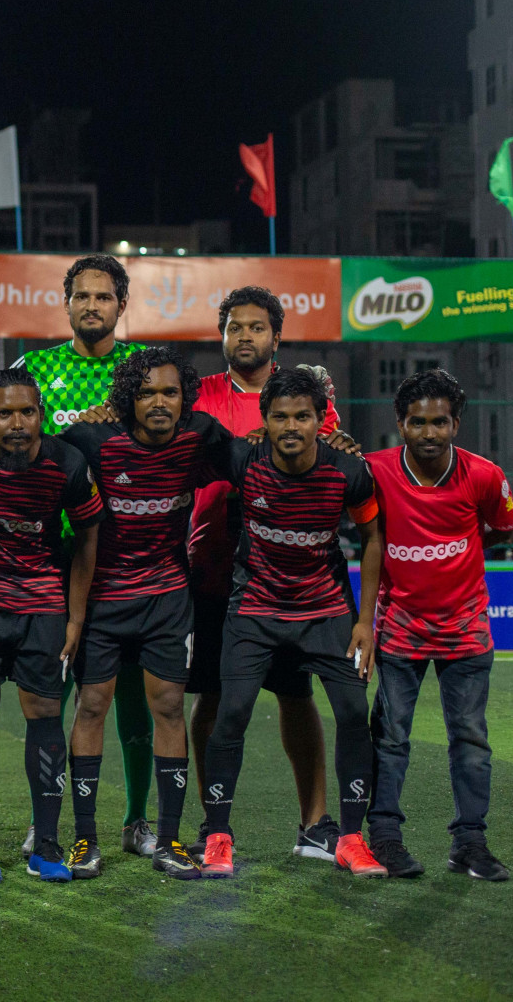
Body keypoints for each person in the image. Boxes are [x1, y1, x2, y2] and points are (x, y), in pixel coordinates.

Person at [45, 348, 227, 880]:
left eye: (170, 392)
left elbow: (254, 459)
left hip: (168, 599)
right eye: (146, 392)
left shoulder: (201, 438)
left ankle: (168, 840)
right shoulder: (91, 440)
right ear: (126, 400)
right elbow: (33, 462)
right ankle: (84, 839)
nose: (159, 402)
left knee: (168, 707)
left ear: (184, 399)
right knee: (92, 706)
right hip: (102, 600)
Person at [199, 369, 387, 879]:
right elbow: (184, 429)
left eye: (302, 416)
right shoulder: (243, 459)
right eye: (279, 416)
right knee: (231, 713)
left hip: (325, 612)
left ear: (321, 420)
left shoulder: (349, 472)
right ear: (263, 420)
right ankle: (217, 835)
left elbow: (373, 538)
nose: (291, 427)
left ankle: (349, 838)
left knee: (352, 713)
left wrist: (365, 622)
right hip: (254, 609)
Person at [186, 286, 342, 863]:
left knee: (297, 696)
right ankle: (213, 824)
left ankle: (315, 825)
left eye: (256, 327)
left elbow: (328, 464)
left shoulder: (305, 396)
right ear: (221, 335)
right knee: (212, 696)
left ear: (277, 335)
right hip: (212, 567)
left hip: (292, 575)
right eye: (234, 327)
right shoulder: (198, 396)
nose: (244, 336)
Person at [10, 254, 156, 861]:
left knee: (135, 697)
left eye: (103, 296)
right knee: (55, 693)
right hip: (52, 548)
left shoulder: (146, 370)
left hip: (130, 549)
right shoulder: (33, 368)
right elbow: (9, 441)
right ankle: (45, 815)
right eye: (81, 296)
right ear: (66, 303)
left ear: (122, 305)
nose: (91, 305)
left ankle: (137, 820)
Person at [0, 369, 102, 884]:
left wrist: (75, 616)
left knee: (45, 712)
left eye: (26, 412)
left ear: (41, 415)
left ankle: (47, 844)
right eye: (4, 413)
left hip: (43, 606)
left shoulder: (67, 464)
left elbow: (89, 536)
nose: (17, 423)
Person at [365, 369, 513, 880]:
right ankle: (384, 838)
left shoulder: (485, 476)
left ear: (456, 424)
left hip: (466, 630)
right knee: (390, 738)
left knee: (470, 739)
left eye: (440, 423)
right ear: (400, 424)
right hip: (399, 630)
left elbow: (499, 530)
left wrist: (455, 560)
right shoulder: (375, 471)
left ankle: (469, 844)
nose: (428, 433)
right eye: (417, 423)